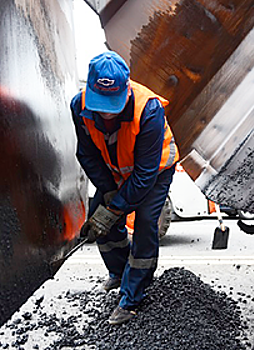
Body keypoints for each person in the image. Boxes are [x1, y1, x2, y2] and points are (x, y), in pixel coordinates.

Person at [70, 51, 179, 325]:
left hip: (154, 174)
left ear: (126, 89)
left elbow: (143, 175)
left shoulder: (149, 110)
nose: (106, 111)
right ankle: (119, 273)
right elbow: (86, 154)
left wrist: (116, 208)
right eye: (100, 103)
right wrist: (107, 194)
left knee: (144, 224)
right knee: (98, 218)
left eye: (112, 103)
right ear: (91, 89)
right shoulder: (79, 106)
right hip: (114, 173)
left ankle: (132, 298)